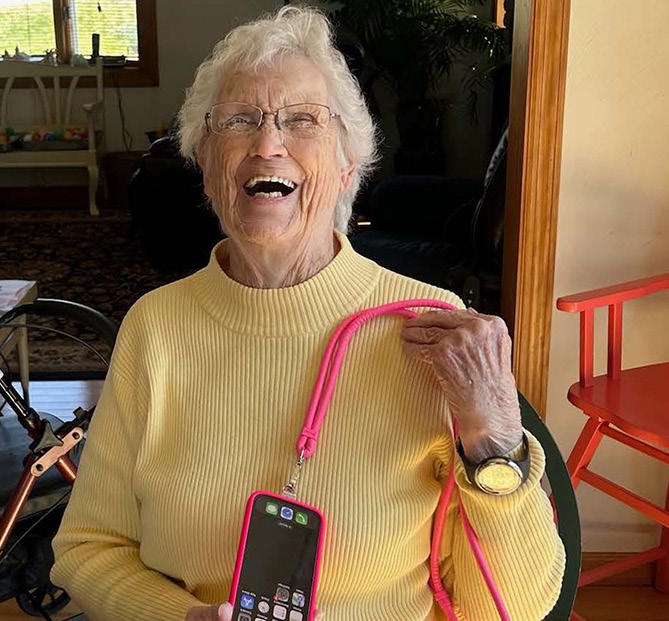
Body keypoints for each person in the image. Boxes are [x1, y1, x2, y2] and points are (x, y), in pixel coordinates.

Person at [51, 7, 564, 620]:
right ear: (207, 169)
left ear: (347, 166)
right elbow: (88, 548)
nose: (268, 144)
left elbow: (514, 608)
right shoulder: (155, 327)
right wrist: (180, 617)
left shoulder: (433, 329)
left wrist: (496, 437)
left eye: (301, 120)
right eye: (239, 121)